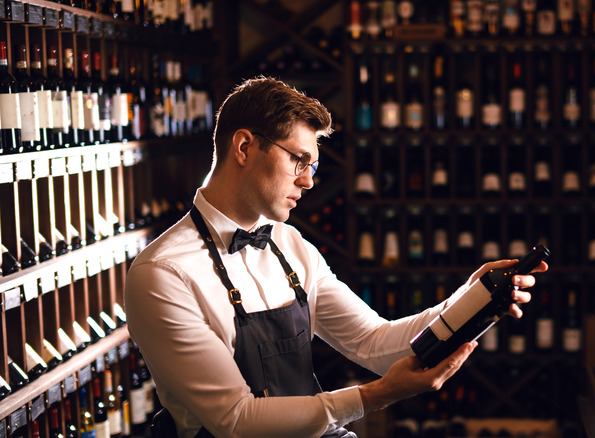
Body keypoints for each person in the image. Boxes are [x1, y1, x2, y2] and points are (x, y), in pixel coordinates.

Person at [124, 76, 548, 438]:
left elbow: (374, 343)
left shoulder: (291, 247)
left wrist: (469, 301)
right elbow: (235, 420)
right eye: (299, 160)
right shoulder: (163, 274)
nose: (308, 181)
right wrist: (376, 395)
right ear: (244, 147)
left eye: (313, 165)